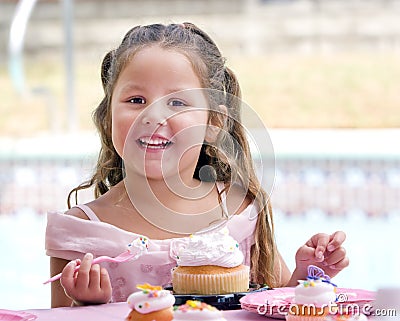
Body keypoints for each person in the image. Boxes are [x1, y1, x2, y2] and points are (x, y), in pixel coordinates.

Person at [45, 22, 349, 308]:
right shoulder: (80, 232)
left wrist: (309, 276)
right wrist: (85, 306)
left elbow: (274, 305)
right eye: (136, 100)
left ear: (213, 122)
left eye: (177, 102)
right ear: (108, 116)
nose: (152, 115)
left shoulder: (237, 210)